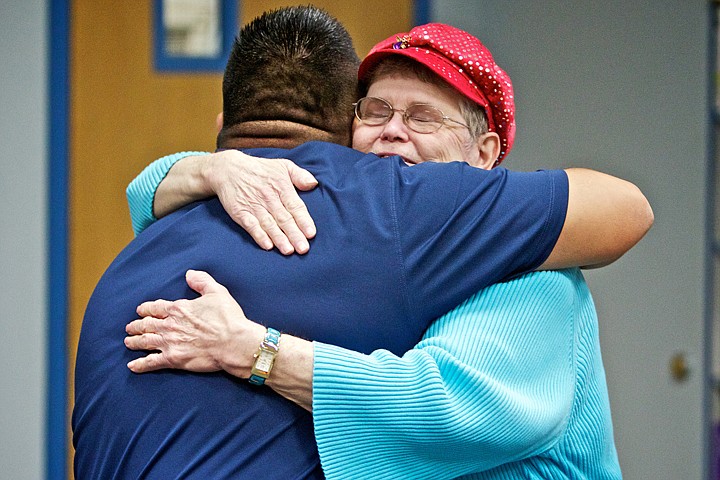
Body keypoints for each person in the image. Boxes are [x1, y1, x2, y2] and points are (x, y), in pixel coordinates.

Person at [73, 8, 650, 480]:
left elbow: (442, 410)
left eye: (424, 118)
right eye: (375, 110)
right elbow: (149, 194)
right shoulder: (370, 228)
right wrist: (210, 169)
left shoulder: (531, 276)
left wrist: (254, 351)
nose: (393, 129)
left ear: (485, 154)